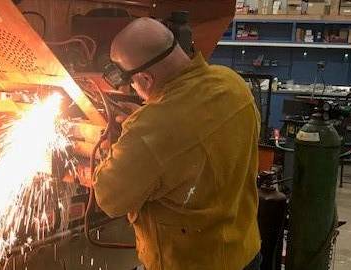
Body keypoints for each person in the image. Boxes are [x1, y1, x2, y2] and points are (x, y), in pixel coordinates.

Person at [93, 17, 261, 270]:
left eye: (132, 82)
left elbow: (109, 199)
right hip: (244, 255)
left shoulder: (149, 129)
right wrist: (147, 122)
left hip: (187, 263)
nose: (133, 89)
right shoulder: (232, 83)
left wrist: (129, 139)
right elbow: (188, 132)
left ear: (146, 79)